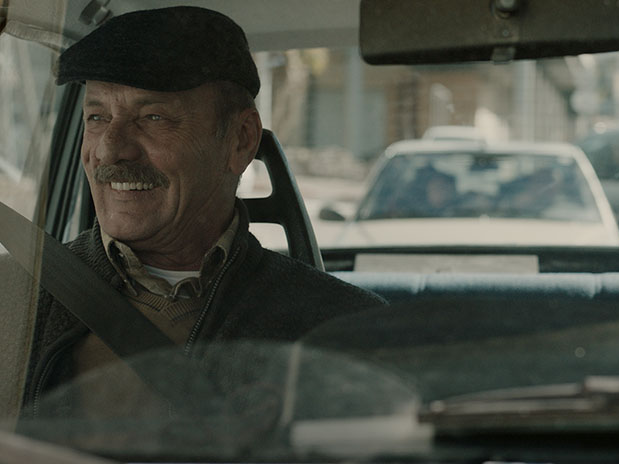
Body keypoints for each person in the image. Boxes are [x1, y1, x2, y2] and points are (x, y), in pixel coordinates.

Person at [20, 6, 386, 418]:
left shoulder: (347, 330)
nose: (109, 149)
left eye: (153, 117)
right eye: (97, 117)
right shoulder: (16, 299)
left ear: (241, 140)